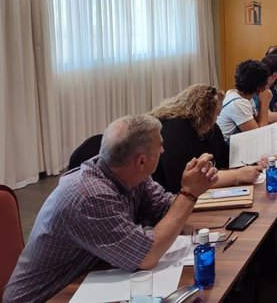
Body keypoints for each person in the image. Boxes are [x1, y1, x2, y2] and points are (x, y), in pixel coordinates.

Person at [3, 115, 218, 303]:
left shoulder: (128, 173)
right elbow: (146, 256)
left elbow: (165, 209)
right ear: (141, 161)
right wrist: (189, 193)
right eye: (160, 145)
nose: (164, 150)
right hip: (48, 297)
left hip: (83, 285)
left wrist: (192, 184)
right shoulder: (90, 196)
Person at [150, 84, 264, 193]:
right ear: (204, 113)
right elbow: (185, 181)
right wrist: (238, 175)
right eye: (216, 114)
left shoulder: (208, 126)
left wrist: (253, 159)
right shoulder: (174, 129)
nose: (217, 118)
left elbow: (227, 156)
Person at [216, 59, 271, 138]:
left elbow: (258, 123)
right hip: (228, 149)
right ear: (260, 86)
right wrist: (265, 103)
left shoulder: (239, 95)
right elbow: (260, 136)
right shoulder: (238, 104)